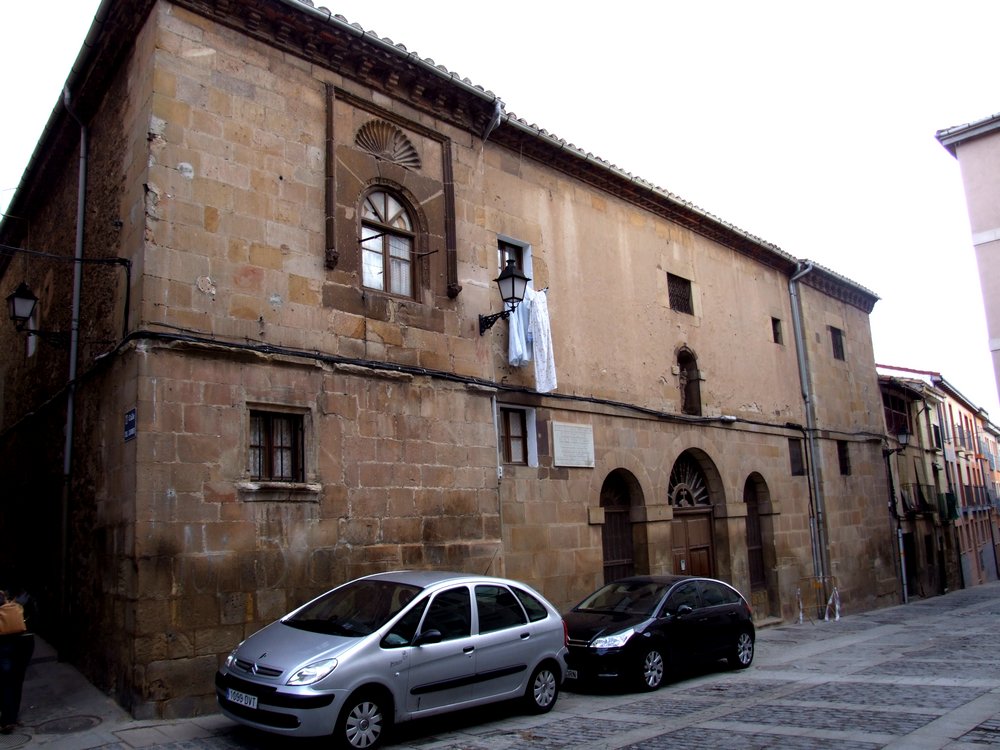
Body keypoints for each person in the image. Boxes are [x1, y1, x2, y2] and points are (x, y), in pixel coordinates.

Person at [0, 587, 34, 734]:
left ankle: (7, 719)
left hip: (3, 643)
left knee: (5, 681)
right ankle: (12, 716)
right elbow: (36, 617)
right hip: (24, 642)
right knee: (17, 680)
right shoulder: (24, 597)